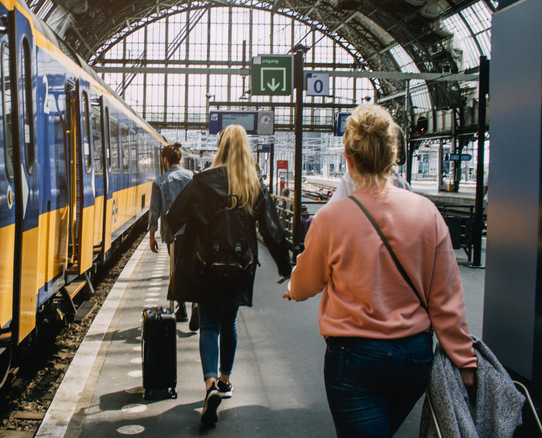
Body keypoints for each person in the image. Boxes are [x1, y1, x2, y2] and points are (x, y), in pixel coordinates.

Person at [282, 104, 477, 437]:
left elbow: (306, 283)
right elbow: (446, 298)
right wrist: (465, 361)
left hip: (353, 359)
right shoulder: (427, 213)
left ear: (348, 158)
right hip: (413, 358)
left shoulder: (330, 219)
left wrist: (294, 289)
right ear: (394, 154)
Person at [165, 125, 291, 426]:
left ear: (220, 147)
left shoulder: (204, 181)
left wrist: (174, 235)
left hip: (207, 264)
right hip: (240, 267)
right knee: (229, 321)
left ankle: (209, 385)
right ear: (245, 148)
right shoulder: (253, 184)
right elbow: (272, 230)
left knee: (208, 324)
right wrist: (285, 267)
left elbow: (174, 217)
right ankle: (224, 381)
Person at [148, 142, 194, 323]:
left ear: (165, 160)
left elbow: (154, 212)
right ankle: (196, 304)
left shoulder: (160, 182)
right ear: (179, 159)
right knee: (193, 266)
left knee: (176, 268)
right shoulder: (193, 177)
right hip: (192, 231)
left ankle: (181, 307)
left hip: (172, 233)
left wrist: (152, 236)